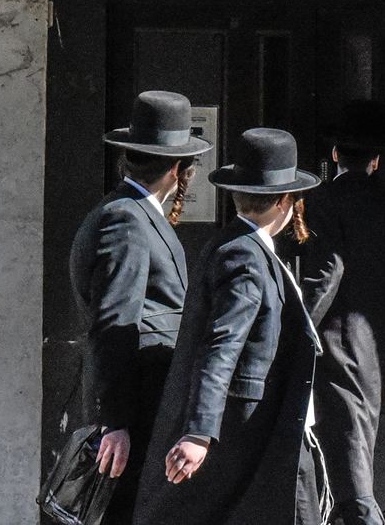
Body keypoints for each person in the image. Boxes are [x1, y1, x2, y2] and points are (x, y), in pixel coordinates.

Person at [133, 127, 327, 525]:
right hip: (248, 435)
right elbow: (220, 346)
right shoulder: (244, 255)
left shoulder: (235, 246)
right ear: (286, 201)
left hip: (262, 433)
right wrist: (199, 433)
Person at [68, 90, 211, 521]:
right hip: (136, 413)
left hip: (144, 410)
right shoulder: (126, 219)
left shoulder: (129, 213)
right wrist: (115, 422)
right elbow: (115, 322)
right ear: (175, 169)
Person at [300, 100, 385, 525]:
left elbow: (326, 273)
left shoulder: (323, 201)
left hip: (334, 346)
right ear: (376, 161)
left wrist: (296, 329)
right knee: (354, 456)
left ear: (335, 155)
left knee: (348, 470)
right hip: (372, 347)